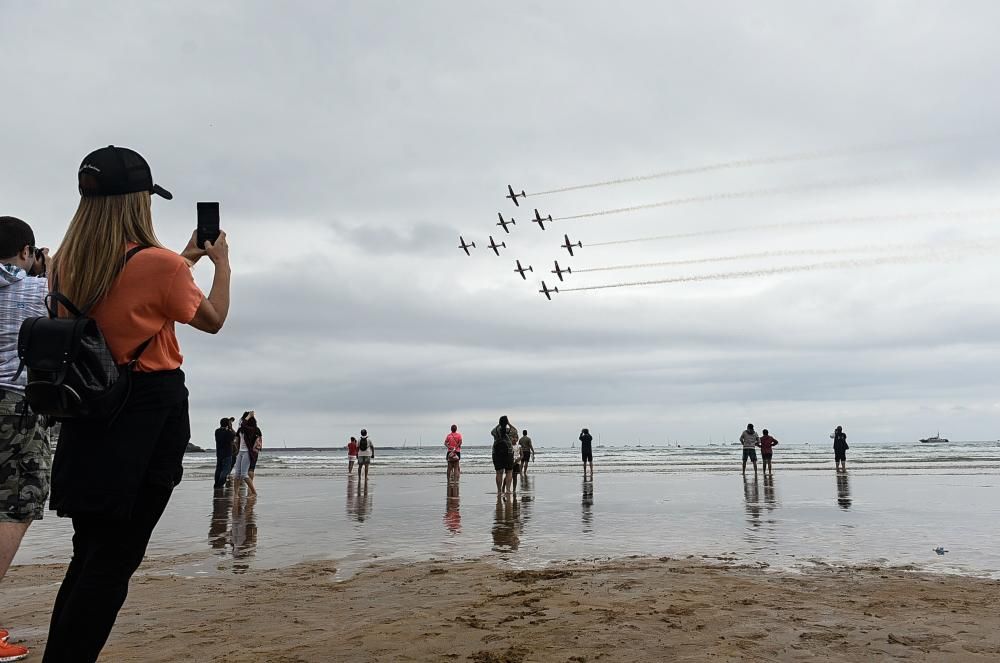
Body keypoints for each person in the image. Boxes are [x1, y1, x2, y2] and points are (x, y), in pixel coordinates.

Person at [43, 145, 231, 663]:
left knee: (89, 556)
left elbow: (131, 292)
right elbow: (212, 318)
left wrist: (183, 259)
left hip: (88, 411)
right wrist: (221, 263)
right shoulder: (160, 266)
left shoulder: (63, 266)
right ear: (138, 202)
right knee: (113, 564)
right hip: (147, 413)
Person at [0, 216, 51, 661]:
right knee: (16, 505)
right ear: (26, 251)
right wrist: (47, 274)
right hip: (14, 402)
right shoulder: (37, 290)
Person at [234, 412, 261, 497]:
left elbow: (243, 426)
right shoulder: (241, 429)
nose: (242, 420)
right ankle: (236, 494)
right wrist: (236, 448)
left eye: (244, 419)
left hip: (248, 452)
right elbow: (237, 439)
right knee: (237, 474)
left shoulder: (254, 429)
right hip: (240, 452)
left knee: (244, 474)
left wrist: (249, 416)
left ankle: (254, 492)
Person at [491, 416, 517, 495]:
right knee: (509, 472)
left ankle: (499, 491)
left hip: (496, 453)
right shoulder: (509, 430)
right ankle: (508, 490)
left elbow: (491, 432)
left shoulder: (496, 431)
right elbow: (515, 431)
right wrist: (509, 423)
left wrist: (499, 424)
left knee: (499, 473)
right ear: (507, 422)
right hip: (508, 453)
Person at [213, 417, 237, 489]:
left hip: (219, 453)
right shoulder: (228, 432)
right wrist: (230, 427)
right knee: (226, 470)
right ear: (227, 424)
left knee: (219, 469)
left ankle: (216, 483)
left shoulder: (217, 431)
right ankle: (220, 484)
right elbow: (234, 435)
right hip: (227, 453)